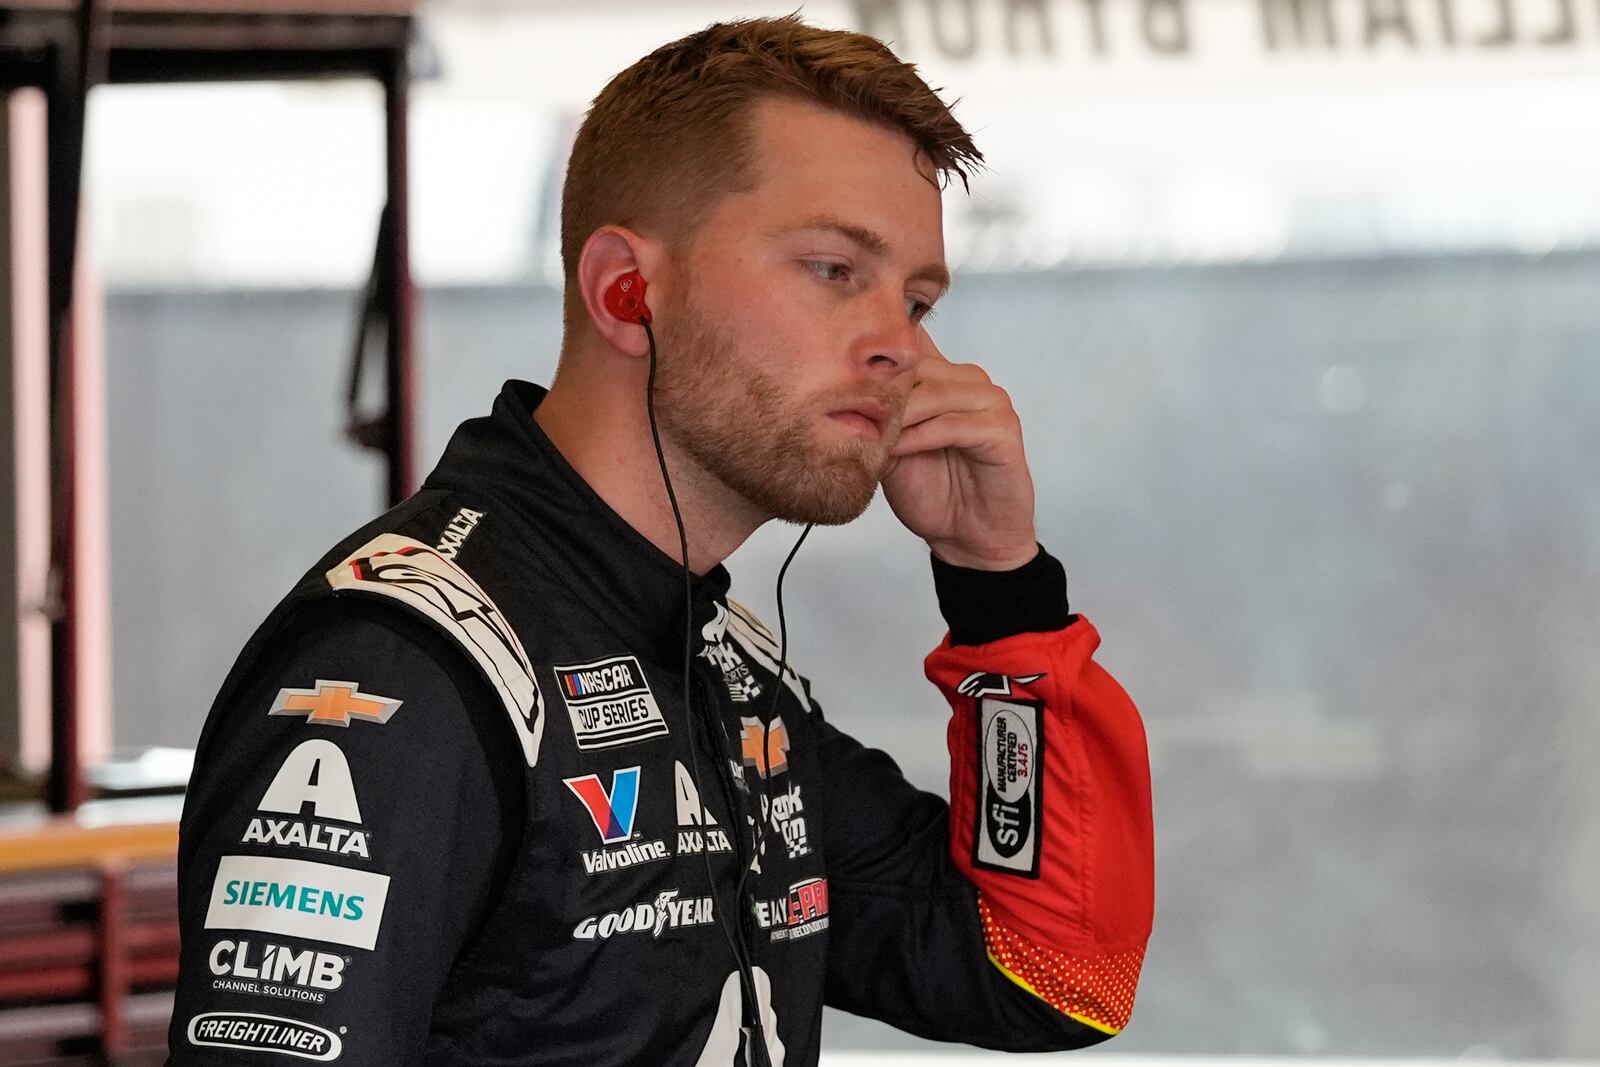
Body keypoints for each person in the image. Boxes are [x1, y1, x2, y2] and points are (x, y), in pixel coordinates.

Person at [166, 16, 1153, 1066]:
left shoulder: (721, 665)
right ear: (626, 293)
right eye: (831, 268)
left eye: (914, 299)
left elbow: (1049, 976)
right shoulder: (407, 668)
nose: (901, 348)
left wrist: (1001, 593)